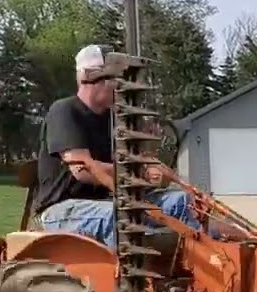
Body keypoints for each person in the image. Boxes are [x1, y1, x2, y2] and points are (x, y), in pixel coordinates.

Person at [29, 44, 207, 248]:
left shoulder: (116, 120)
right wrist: (141, 175)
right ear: (90, 78)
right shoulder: (64, 111)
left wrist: (151, 163)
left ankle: (208, 265)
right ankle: (131, 279)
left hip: (108, 201)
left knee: (179, 201)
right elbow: (83, 172)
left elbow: (138, 166)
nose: (122, 88)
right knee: (119, 218)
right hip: (63, 209)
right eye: (116, 80)